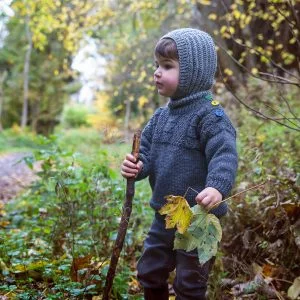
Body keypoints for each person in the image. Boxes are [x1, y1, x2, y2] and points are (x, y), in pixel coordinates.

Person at [121, 28, 238, 300]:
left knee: (190, 284)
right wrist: (136, 167)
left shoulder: (212, 114)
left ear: (193, 72)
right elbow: (146, 154)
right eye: (157, 66)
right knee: (149, 272)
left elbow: (225, 154)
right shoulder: (161, 117)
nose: (157, 73)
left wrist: (217, 188)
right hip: (165, 215)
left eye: (167, 66)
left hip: (198, 218)